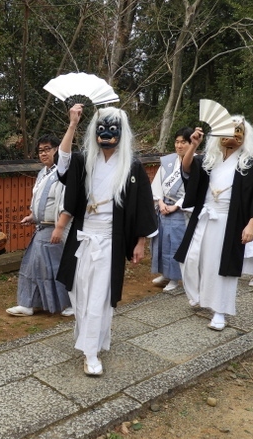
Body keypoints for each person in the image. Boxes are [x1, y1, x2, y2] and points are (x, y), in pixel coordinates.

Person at [56, 103, 157, 376]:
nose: (106, 134)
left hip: (110, 240)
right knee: (79, 294)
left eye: (113, 129)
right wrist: (73, 124)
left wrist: (140, 242)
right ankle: (92, 339)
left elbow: (144, 207)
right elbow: (62, 164)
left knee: (99, 297)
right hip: (83, 238)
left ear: (122, 133)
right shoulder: (84, 161)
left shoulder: (131, 167)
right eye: (101, 128)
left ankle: (90, 353)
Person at [173, 118, 253, 331]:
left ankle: (220, 310)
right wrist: (193, 145)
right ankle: (198, 296)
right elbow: (187, 169)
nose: (231, 137)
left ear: (244, 136)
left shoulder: (250, 164)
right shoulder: (211, 159)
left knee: (221, 267)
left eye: (237, 132)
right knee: (191, 258)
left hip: (231, 220)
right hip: (206, 216)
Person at [6, 134, 73, 317]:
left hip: (56, 227)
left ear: (57, 150)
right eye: (40, 150)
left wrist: (59, 227)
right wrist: (32, 216)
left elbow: (67, 203)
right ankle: (28, 303)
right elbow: (40, 201)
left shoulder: (64, 172)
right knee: (33, 266)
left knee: (56, 267)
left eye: (47, 149)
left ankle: (71, 302)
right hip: (41, 227)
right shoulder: (42, 173)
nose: (43, 154)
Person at [150, 126, 194, 292]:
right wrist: (160, 203)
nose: (179, 145)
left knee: (176, 244)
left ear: (192, 143)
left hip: (181, 212)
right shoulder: (168, 162)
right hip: (163, 209)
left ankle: (176, 278)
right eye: (177, 142)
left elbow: (194, 190)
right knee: (161, 243)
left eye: (183, 142)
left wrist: (176, 205)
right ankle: (165, 274)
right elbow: (157, 185)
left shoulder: (196, 162)